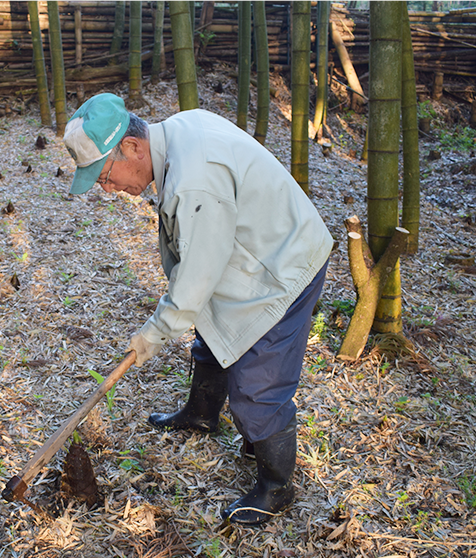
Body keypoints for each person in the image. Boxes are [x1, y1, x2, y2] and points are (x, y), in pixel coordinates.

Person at [62, 93, 333, 526]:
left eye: (105, 175)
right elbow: (198, 261)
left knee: (258, 388)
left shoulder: (194, 178)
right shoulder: (175, 133)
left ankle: (277, 485)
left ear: (132, 147)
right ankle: (202, 414)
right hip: (252, 250)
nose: (108, 188)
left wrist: (156, 331)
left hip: (283, 265)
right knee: (213, 335)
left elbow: (198, 275)